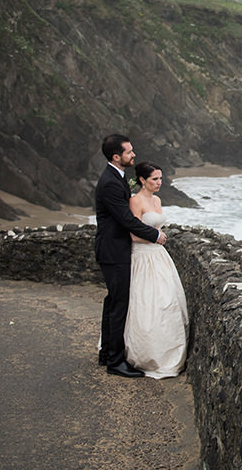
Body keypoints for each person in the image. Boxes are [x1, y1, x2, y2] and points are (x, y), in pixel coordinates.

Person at [95, 134, 167, 378]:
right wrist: (155, 235)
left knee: (112, 302)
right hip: (113, 251)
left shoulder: (118, 177)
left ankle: (106, 353)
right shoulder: (111, 183)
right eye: (129, 152)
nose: (133, 155)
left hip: (114, 250)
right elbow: (125, 219)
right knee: (118, 305)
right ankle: (115, 362)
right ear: (117, 156)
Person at [124, 161, 189, 378]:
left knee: (167, 301)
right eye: (154, 179)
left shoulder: (157, 199)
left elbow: (156, 224)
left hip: (159, 256)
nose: (159, 183)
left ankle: (167, 353)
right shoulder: (135, 201)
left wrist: (158, 237)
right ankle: (145, 355)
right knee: (146, 303)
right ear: (142, 180)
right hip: (143, 257)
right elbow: (133, 233)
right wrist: (156, 237)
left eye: (160, 178)